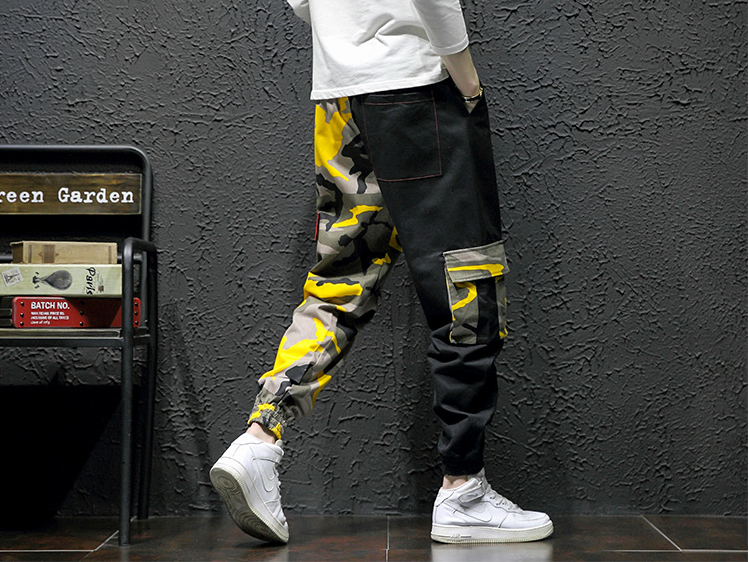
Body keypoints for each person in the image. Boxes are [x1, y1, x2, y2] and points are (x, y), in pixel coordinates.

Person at [210, 0, 553, 545]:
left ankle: (260, 437)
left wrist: (346, 35)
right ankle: (463, 488)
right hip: (416, 89)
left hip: (339, 98)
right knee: (467, 282)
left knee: (340, 280)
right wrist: (466, 81)